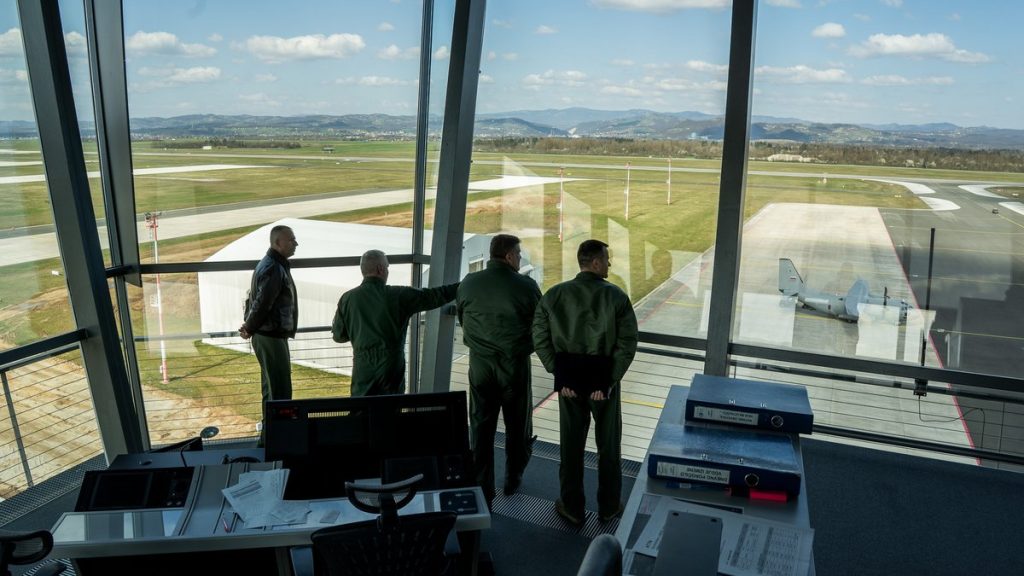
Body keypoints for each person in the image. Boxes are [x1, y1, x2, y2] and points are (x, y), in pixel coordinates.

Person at [532, 239, 638, 526]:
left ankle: (572, 507)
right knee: (608, 447)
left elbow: (539, 338)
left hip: (569, 384)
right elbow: (627, 343)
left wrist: (559, 375)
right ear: (595, 262)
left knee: (571, 446)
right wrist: (609, 382)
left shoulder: (554, 295)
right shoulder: (617, 297)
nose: (609, 263)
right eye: (606, 259)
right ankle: (609, 506)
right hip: (604, 385)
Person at [456, 234, 542, 504]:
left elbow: (462, 317)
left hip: (480, 365)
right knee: (517, 425)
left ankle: (483, 488)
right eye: (518, 253)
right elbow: (540, 325)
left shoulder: (469, 283)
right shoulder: (526, 286)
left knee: (481, 427)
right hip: (514, 366)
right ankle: (512, 478)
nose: (520, 257)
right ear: (509, 256)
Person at [332, 249, 459, 396]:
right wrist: (465, 284)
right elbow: (435, 296)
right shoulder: (398, 295)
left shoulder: (347, 299)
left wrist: (360, 331)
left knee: (362, 406)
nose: (387, 271)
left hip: (362, 371)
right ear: (380, 269)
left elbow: (339, 336)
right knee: (391, 406)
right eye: (387, 267)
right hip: (391, 370)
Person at [239, 224, 299, 441]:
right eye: (291, 240)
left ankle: (268, 440)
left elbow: (258, 301)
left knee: (271, 390)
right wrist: (249, 327)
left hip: (269, 335)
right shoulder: (274, 268)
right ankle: (277, 441)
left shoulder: (271, 264)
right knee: (280, 393)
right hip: (271, 336)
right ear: (278, 243)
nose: (296, 243)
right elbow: (262, 303)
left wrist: (250, 326)